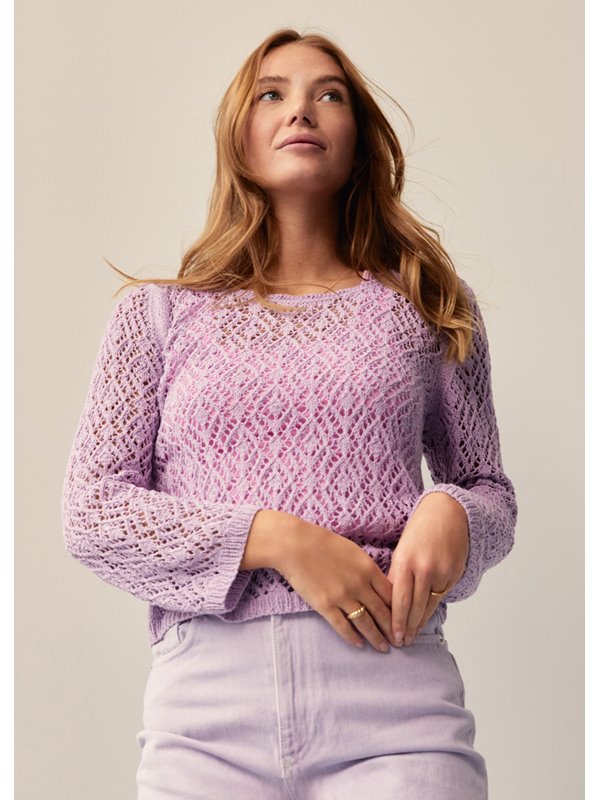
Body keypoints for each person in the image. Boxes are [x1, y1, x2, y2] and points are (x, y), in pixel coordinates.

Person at [61, 27, 518, 800]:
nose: (300, 110)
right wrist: (276, 539)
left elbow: (488, 489)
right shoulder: (158, 315)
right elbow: (92, 512)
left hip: (394, 699)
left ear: (358, 140)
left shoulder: (427, 306)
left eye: (328, 95)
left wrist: (455, 512)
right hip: (205, 714)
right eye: (272, 94)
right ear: (238, 137)